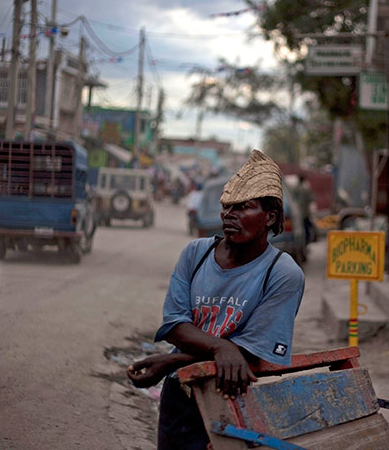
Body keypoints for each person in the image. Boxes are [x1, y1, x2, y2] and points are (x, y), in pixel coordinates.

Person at [127, 149, 305, 450]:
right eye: (227, 207)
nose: (229, 216)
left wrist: (171, 359)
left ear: (270, 217)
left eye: (242, 208)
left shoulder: (283, 273)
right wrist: (221, 346)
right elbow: (174, 325)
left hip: (232, 398)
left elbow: (251, 354)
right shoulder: (196, 254)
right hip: (180, 396)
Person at [293, 175, 315, 243]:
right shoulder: (306, 189)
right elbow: (311, 199)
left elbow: (292, 199)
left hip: (298, 212)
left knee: (299, 227)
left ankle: (301, 240)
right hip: (305, 212)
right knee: (306, 227)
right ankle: (307, 240)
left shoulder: (295, 189)